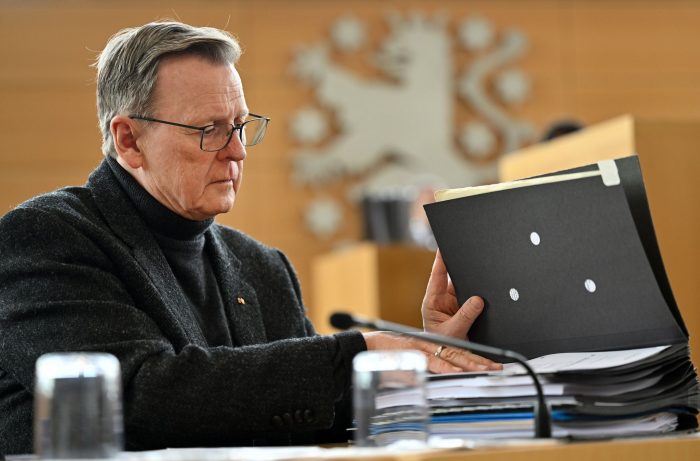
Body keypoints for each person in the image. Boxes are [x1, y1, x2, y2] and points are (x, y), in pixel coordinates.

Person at [0, 21, 499, 454]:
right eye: (210, 130)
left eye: (240, 126)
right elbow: (137, 396)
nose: (238, 151)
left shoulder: (262, 266)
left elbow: (314, 410)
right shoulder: (44, 237)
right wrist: (358, 354)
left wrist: (423, 363)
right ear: (129, 140)